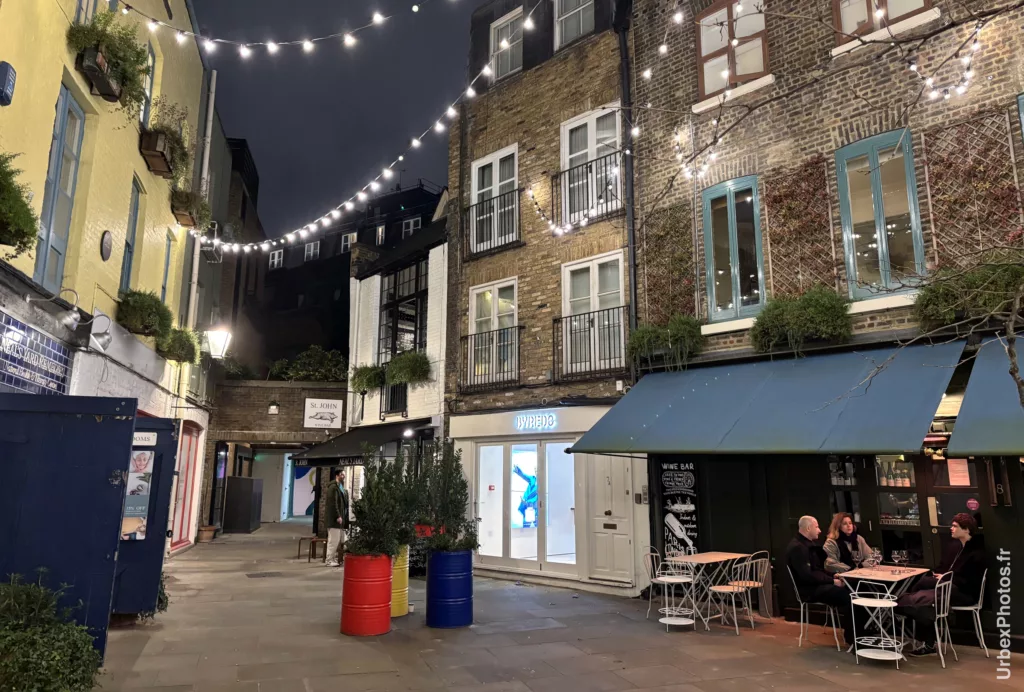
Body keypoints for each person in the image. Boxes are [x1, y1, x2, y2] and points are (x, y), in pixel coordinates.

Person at [898, 513, 986, 656]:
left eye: (955, 526)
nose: (951, 528)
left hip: (963, 593)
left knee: (924, 594)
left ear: (966, 530)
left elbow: (969, 582)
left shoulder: (976, 554)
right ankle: (927, 641)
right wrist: (939, 576)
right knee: (925, 600)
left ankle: (926, 640)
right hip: (944, 589)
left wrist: (945, 578)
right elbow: (941, 567)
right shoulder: (953, 547)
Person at [786, 515, 860, 646]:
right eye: (817, 527)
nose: (820, 530)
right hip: (809, 590)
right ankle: (854, 638)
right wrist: (832, 581)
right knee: (850, 596)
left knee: (855, 590)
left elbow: (817, 570)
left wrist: (834, 576)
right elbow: (807, 576)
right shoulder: (798, 548)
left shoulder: (808, 545)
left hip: (817, 585)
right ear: (808, 528)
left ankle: (860, 633)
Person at [324, 468, 350, 567]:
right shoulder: (333, 488)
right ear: (337, 475)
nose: (344, 476)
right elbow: (333, 503)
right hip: (334, 520)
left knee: (338, 540)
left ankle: (332, 558)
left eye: (344, 474)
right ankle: (329, 560)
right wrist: (338, 515)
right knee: (333, 540)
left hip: (339, 519)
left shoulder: (340, 487)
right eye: (342, 474)